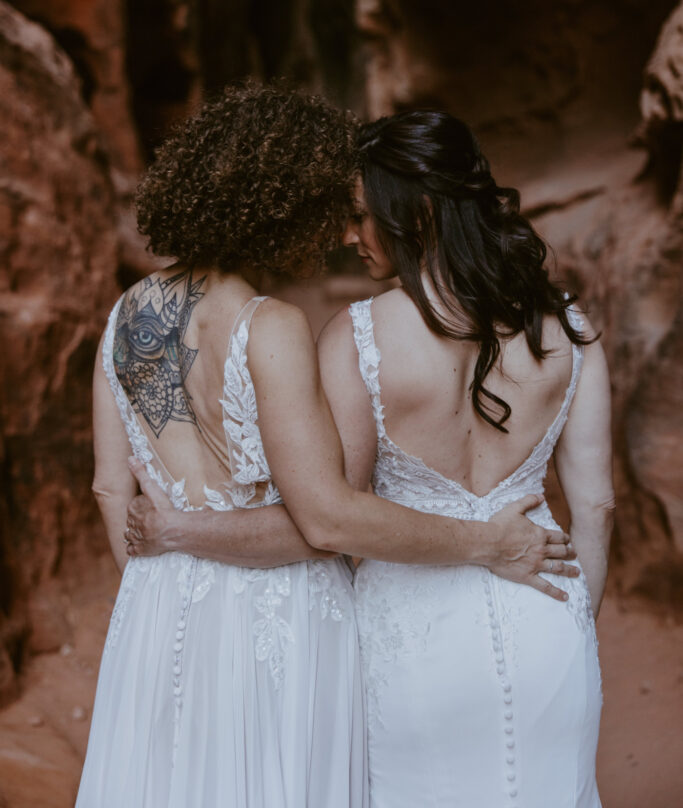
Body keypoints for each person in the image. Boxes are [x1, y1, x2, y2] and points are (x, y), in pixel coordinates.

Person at [79, 86, 577, 808]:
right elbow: (325, 521)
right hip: (277, 618)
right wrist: (486, 543)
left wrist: (168, 589)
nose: (342, 232)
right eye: (332, 210)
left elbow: (106, 488)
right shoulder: (268, 323)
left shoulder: (123, 315)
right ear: (286, 208)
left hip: (156, 607)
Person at [327, 109, 615, 807]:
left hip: (407, 639)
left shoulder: (357, 336)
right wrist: (572, 620)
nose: (348, 235)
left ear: (417, 213)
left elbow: (337, 512)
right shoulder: (567, 328)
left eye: (363, 215)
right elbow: (596, 506)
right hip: (546, 615)